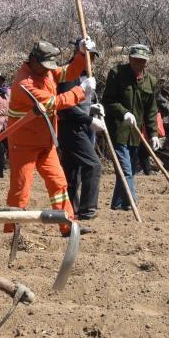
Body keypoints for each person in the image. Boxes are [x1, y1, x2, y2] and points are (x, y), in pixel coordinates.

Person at [5, 39, 94, 235]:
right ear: (33, 60)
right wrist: (81, 91)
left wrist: (80, 54)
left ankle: (68, 226)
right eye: (45, 66)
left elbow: (67, 72)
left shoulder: (44, 72)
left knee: (59, 183)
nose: (49, 70)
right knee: (21, 189)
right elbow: (54, 102)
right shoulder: (24, 84)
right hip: (24, 144)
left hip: (46, 142)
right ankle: (11, 232)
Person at [103, 43, 160, 211]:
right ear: (129, 59)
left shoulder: (151, 81)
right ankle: (132, 201)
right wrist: (123, 113)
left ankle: (119, 203)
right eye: (135, 60)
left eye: (141, 61)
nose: (138, 63)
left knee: (130, 171)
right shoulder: (116, 74)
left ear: (146, 62)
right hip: (118, 130)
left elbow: (151, 110)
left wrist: (154, 133)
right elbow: (108, 101)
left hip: (136, 134)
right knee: (125, 169)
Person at [56, 41, 105, 219]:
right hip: (70, 127)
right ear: (79, 53)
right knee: (93, 164)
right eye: (88, 56)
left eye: (93, 57)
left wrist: (92, 108)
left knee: (72, 172)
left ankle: (70, 209)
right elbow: (65, 107)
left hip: (80, 126)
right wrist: (89, 119)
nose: (91, 60)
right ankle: (87, 209)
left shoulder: (86, 76)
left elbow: (80, 102)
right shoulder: (68, 74)